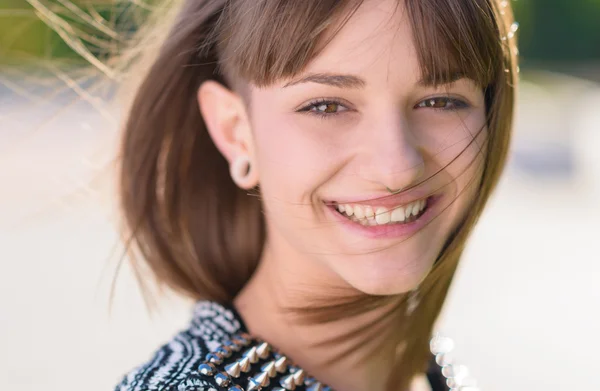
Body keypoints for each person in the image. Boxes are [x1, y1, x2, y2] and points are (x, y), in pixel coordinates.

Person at [114, 0, 518, 390]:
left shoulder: (434, 372)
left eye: (440, 101)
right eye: (326, 106)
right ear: (236, 132)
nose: (397, 168)